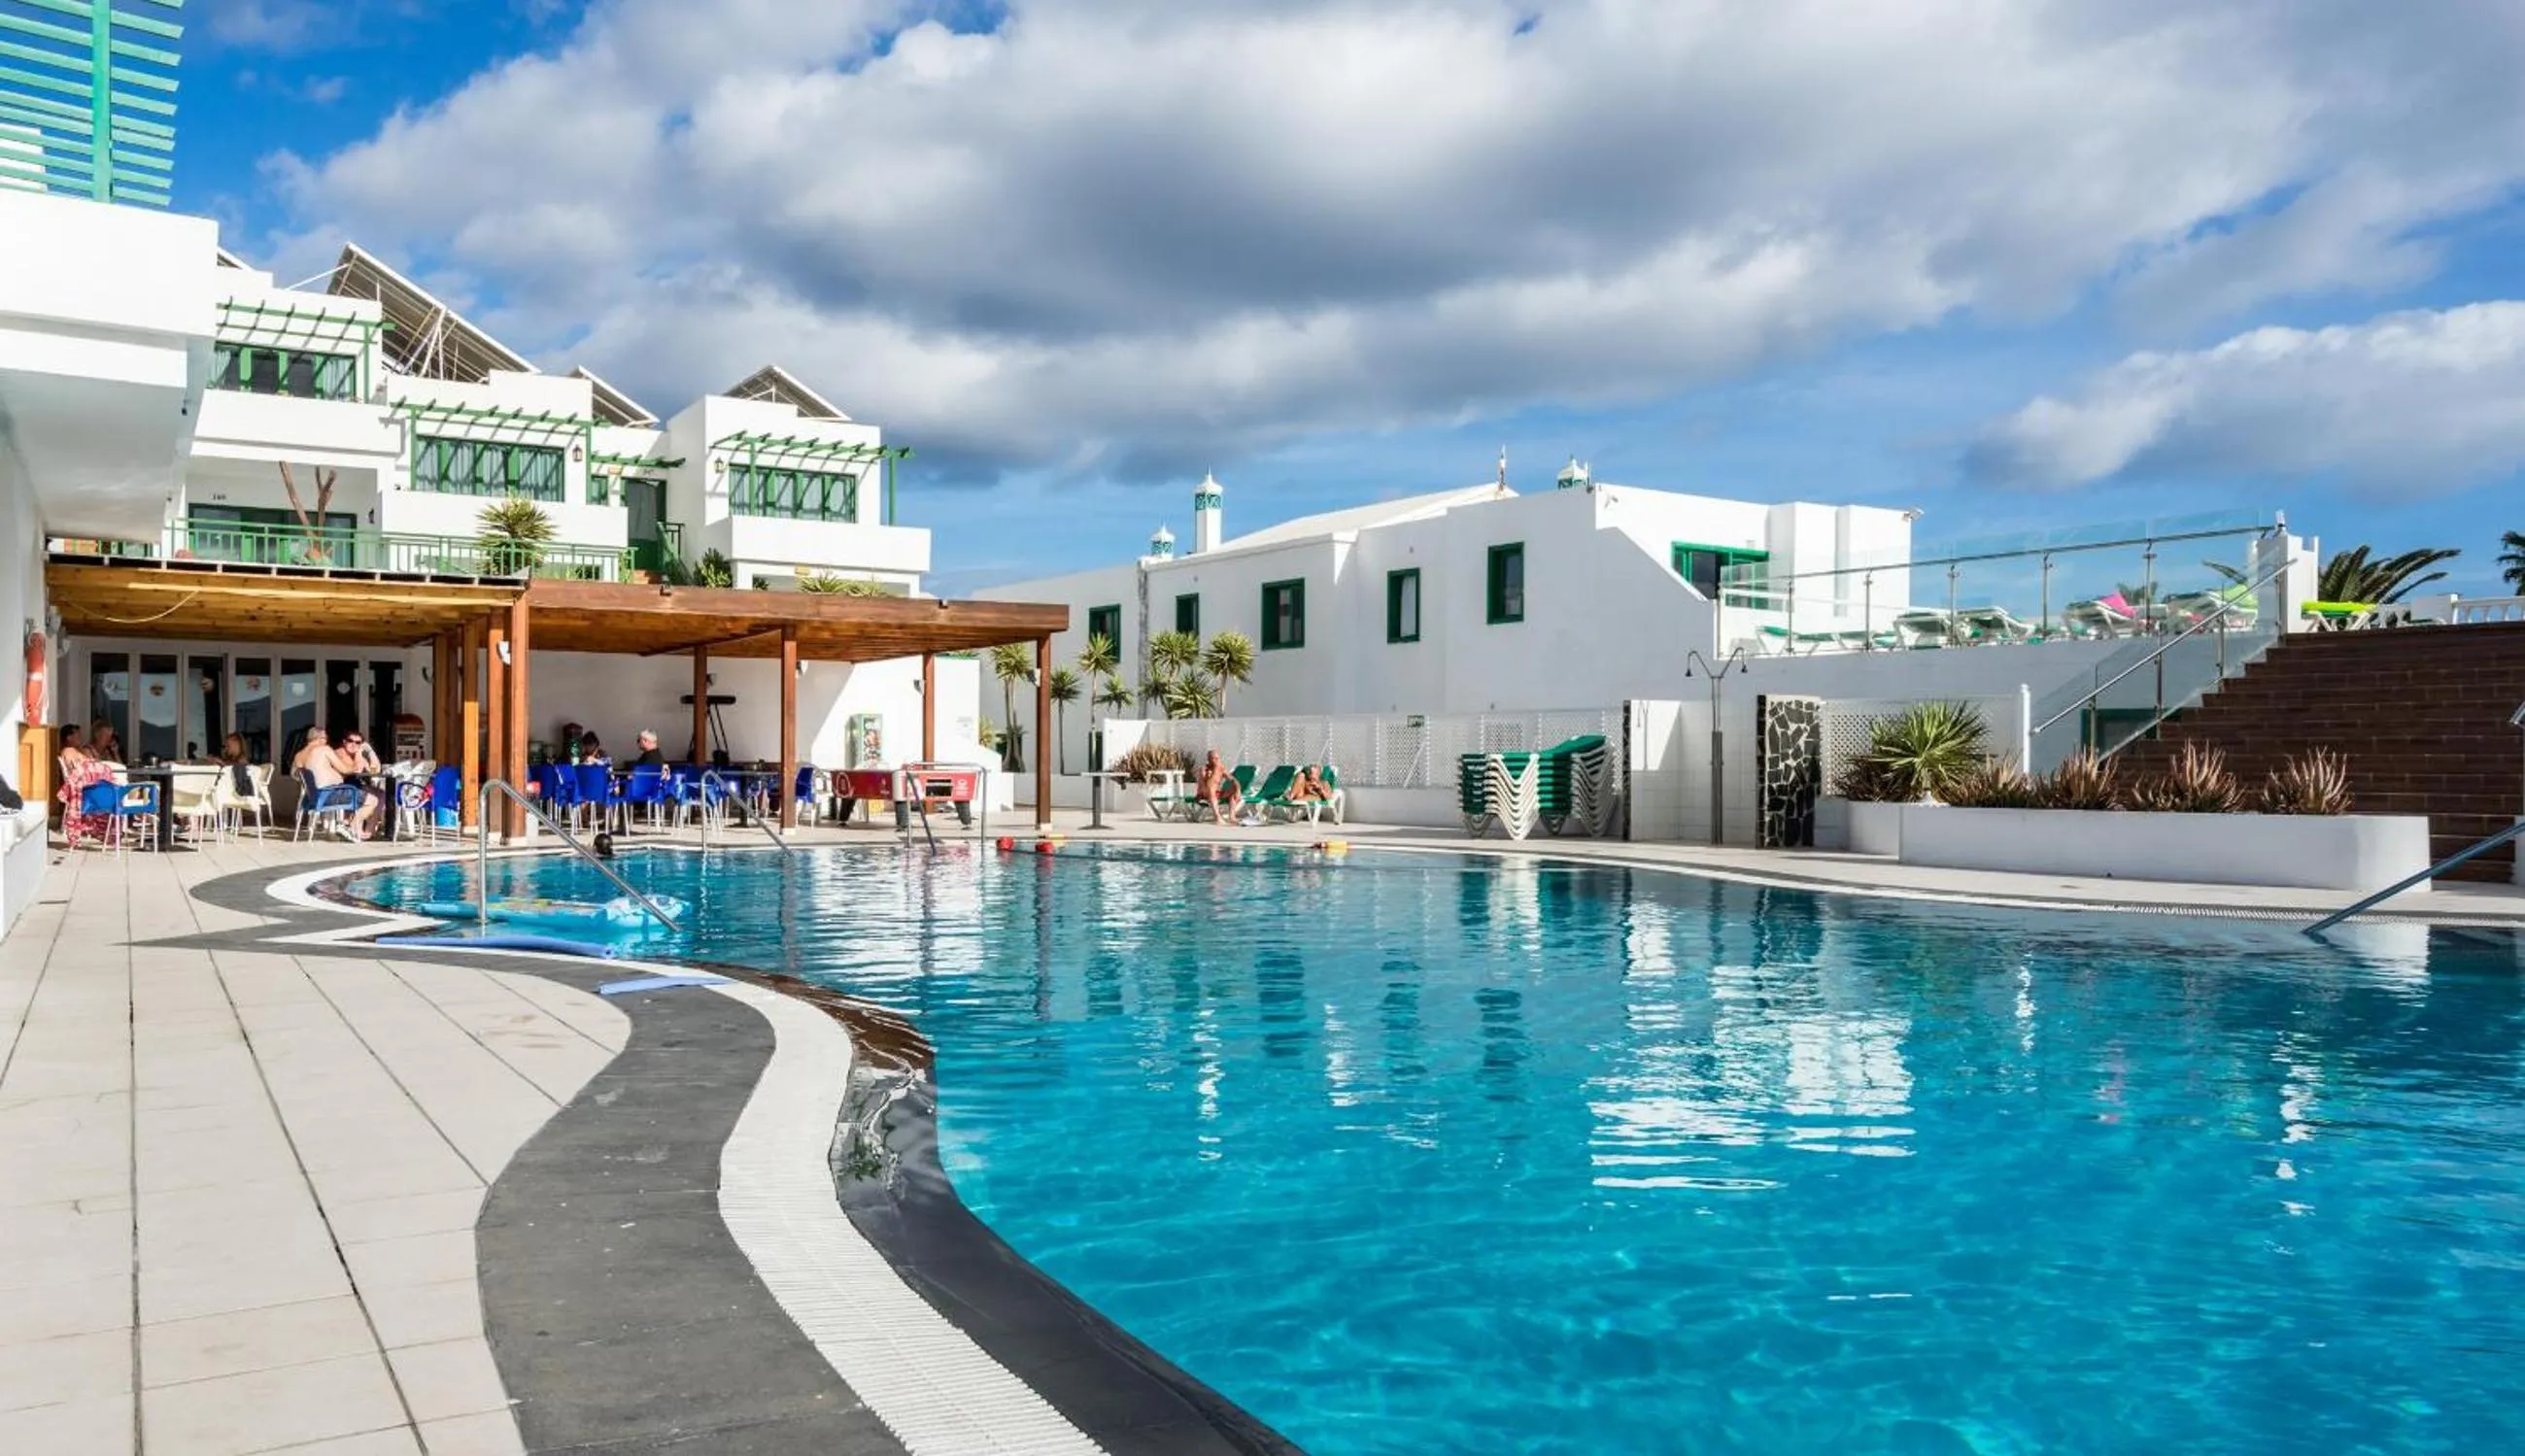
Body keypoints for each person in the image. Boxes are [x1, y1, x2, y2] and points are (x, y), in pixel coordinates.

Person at [294, 728, 380, 840]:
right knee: (373, 800)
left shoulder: (299, 755)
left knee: (366, 793)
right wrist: (359, 753)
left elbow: (295, 775)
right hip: (328, 795)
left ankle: (350, 826)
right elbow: (347, 770)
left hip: (311, 797)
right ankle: (349, 827)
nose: (326, 741)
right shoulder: (324, 749)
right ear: (320, 739)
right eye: (325, 738)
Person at [1197, 750, 1243, 826]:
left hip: (1216, 793)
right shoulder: (1204, 769)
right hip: (1204, 794)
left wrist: (1238, 790)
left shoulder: (1221, 769)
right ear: (1208, 759)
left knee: (1233, 790)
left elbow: (1234, 780)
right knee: (1211, 790)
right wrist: (1215, 771)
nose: (1215, 760)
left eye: (1217, 758)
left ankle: (1232, 817)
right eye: (1213, 758)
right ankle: (1218, 817)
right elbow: (1205, 786)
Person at [218, 732, 255, 799]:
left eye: (228, 746)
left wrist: (221, 763)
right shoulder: (230, 759)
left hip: (239, 793)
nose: (226, 748)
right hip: (230, 790)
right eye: (225, 746)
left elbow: (236, 769)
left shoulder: (242, 760)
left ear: (236, 745)